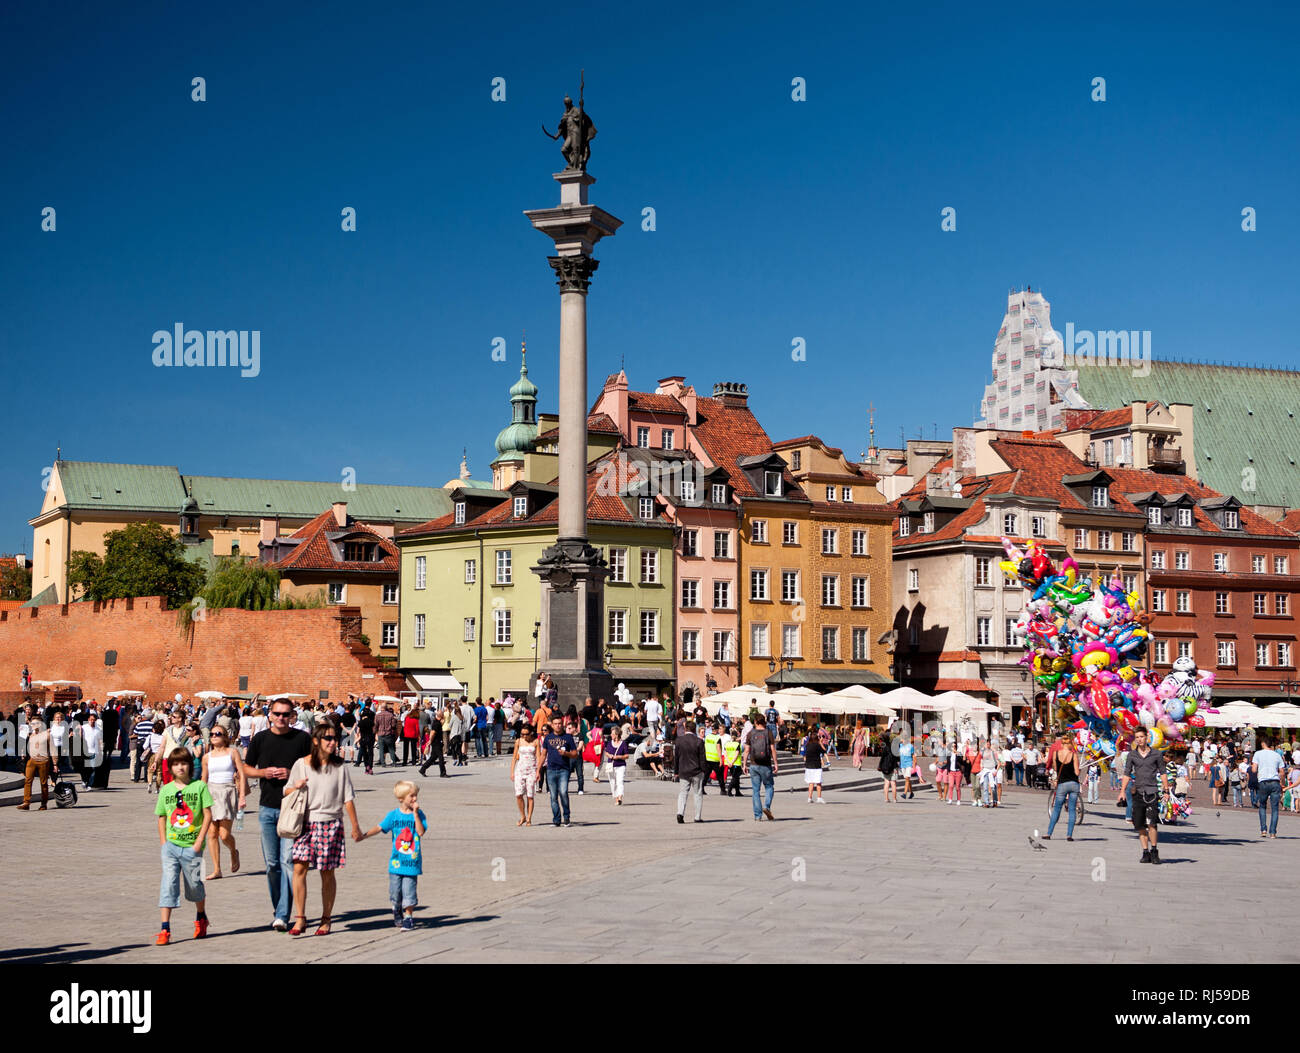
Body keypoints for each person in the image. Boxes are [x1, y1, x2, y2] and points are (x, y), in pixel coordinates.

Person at [242, 698, 312, 931]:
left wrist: (291, 773)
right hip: (267, 807)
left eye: (286, 714)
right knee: (272, 864)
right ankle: (278, 908)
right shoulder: (260, 739)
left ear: (292, 716)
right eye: (277, 714)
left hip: (293, 809)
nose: (281, 718)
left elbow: (314, 769)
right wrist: (264, 773)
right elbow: (246, 768)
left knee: (287, 862)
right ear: (270, 715)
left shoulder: (302, 739)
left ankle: (283, 913)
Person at [285, 722, 362, 936]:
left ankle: (326, 918)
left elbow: (348, 798)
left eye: (335, 738)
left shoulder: (339, 767)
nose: (333, 742)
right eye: (328, 738)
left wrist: (355, 826)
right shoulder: (301, 764)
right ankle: (300, 918)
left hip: (330, 822)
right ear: (316, 741)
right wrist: (295, 786)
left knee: (326, 872)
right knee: (299, 868)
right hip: (305, 823)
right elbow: (286, 790)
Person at [153, 747, 213, 944]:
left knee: (195, 885)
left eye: (184, 763)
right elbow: (162, 817)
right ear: (170, 767)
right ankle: (165, 929)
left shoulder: (199, 787)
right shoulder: (166, 790)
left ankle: (201, 917)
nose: (180, 767)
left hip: (192, 847)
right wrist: (163, 843)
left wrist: (199, 842)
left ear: (190, 765)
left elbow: (207, 815)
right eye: (176, 764)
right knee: (168, 884)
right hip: (170, 846)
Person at [361, 781, 426, 930]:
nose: (415, 799)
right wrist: (363, 836)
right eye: (412, 796)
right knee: (395, 893)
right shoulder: (393, 815)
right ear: (401, 798)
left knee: (409, 891)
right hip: (396, 863)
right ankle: (396, 909)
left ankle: (408, 917)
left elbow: (421, 832)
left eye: (416, 795)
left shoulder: (419, 814)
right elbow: (379, 827)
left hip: (412, 862)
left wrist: (415, 814)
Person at [200, 726, 248, 880]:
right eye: (212, 734)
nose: (214, 736)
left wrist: (241, 797)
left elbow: (241, 773)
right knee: (212, 834)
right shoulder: (207, 757)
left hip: (227, 792)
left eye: (218, 734)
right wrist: (199, 797)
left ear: (225, 737)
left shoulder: (232, 752)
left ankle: (233, 851)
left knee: (224, 834)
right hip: (211, 792)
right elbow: (203, 778)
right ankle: (217, 869)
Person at [1120, 727, 1169, 863]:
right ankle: (1145, 852)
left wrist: (1166, 790)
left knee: (1152, 823)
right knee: (1140, 824)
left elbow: (1163, 772)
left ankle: (1154, 850)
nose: (1140, 739)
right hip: (1138, 792)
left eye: (1142, 737)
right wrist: (1122, 791)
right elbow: (1127, 773)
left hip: (1152, 792)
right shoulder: (1132, 755)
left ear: (1147, 737)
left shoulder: (1156, 754)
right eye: (1137, 737)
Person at [540, 715, 579, 827]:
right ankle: (556, 819)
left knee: (563, 792)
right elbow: (543, 755)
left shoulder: (568, 737)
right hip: (551, 769)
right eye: (555, 724)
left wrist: (566, 753)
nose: (558, 725)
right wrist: (538, 769)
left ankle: (566, 817)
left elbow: (575, 754)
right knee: (553, 796)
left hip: (564, 770)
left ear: (563, 724)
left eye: (559, 723)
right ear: (552, 725)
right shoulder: (548, 738)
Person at [1044, 734, 1081, 840]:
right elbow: (1077, 772)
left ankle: (1049, 833)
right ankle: (1069, 835)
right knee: (1072, 809)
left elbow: (1055, 768)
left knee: (1056, 809)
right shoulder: (1073, 755)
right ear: (1069, 744)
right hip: (1073, 784)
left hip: (1062, 784)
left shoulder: (1056, 754)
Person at [744, 714, 779, 821]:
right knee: (769, 787)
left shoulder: (750, 733)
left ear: (755, 722)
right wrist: (776, 763)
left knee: (755, 791)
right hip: (766, 765)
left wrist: (744, 764)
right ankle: (767, 806)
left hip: (754, 765)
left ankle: (757, 816)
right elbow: (773, 749)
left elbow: (746, 750)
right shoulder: (768, 733)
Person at [674, 720, 706, 823]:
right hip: (697, 771)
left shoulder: (679, 740)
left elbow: (676, 758)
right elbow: (702, 758)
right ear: (694, 729)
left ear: (685, 729)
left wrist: (676, 771)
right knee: (697, 794)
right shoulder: (699, 741)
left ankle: (680, 813)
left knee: (683, 793)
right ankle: (697, 817)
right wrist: (704, 771)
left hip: (683, 770)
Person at [1253, 737, 1285, 839]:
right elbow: (1282, 772)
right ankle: (1273, 832)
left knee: (1262, 806)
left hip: (1263, 782)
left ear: (1263, 744)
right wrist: (1282, 783)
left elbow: (1254, 769)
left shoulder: (1258, 754)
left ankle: (1263, 829)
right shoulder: (1277, 755)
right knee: (1275, 809)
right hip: (1275, 782)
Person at [18, 718, 53, 810]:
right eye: (31, 723)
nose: (32, 725)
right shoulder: (31, 735)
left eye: (34, 723)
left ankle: (44, 804)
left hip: (44, 761)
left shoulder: (47, 734)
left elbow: (53, 749)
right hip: (31, 760)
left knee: (43, 783)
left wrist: (55, 764)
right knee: (28, 781)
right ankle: (26, 802)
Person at [511, 724, 541, 826]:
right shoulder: (518, 741)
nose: (524, 736)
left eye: (526, 734)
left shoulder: (536, 741)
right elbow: (514, 757)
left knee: (530, 796)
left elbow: (538, 757)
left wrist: (538, 772)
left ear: (531, 733)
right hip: (519, 770)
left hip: (531, 771)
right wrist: (512, 772)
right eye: (522, 734)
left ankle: (529, 818)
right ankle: (522, 816)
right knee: (519, 795)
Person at [418, 705, 448, 778]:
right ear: (441, 716)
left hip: (436, 742)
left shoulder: (437, 722)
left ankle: (422, 769)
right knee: (441, 758)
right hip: (436, 742)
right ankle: (443, 773)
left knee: (433, 758)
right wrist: (430, 741)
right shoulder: (436, 723)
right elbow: (433, 732)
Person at [604, 724, 629, 805]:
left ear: (617, 735)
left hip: (621, 765)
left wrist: (619, 756)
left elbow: (627, 755)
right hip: (611, 766)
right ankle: (616, 797)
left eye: (612, 733)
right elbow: (606, 752)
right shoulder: (610, 743)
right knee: (612, 782)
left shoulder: (623, 743)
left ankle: (620, 797)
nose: (611, 735)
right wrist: (610, 755)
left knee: (620, 781)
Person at [79, 712, 104, 792]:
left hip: (94, 751)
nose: (92, 721)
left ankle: (89, 784)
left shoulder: (98, 730)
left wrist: (101, 751)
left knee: (93, 769)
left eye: (94, 720)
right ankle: (84, 781)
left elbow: (100, 741)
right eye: (91, 720)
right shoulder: (84, 727)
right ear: (88, 720)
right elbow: (80, 738)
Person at [804, 723, 826, 804]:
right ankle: (819, 797)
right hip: (816, 766)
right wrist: (821, 743)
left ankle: (809, 798)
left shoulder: (808, 745)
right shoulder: (817, 745)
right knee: (818, 782)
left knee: (811, 782)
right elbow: (824, 751)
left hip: (808, 766)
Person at [702, 720, 725, 794]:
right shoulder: (717, 738)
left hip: (708, 759)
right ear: (717, 730)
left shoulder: (707, 737)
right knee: (720, 776)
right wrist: (721, 760)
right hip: (715, 759)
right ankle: (723, 790)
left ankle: (701, 788)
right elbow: (718, 749)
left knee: (706, 775)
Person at [879, 734, 898, 802]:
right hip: (893, 767)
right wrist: (896, 767)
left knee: (886, 783)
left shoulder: (884, 748)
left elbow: (882, 758)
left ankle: (886, 798)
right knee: (893, 783)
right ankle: (894, 799)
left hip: (885, 767)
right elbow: (896, 758)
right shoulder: (893, 748)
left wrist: (880, 766)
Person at [899, 735, 917, 800]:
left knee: (907, 778)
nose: (901, 740)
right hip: (902, 765)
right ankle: (911, 792)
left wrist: (914, 765)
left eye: (902, 738)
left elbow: (913, 756)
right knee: (907, 779)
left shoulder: (910, 746)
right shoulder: (900, 745)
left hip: (909, 763)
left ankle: (904, 793)